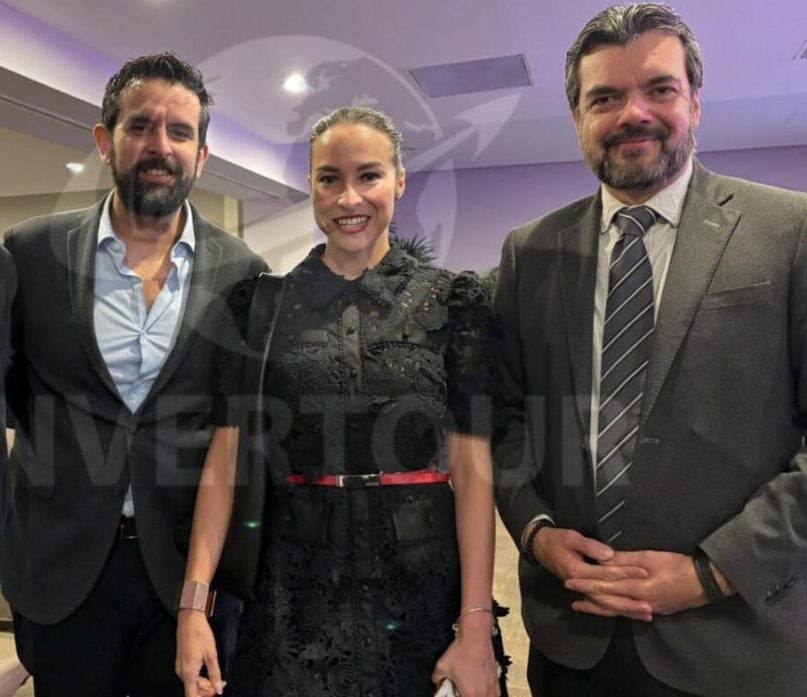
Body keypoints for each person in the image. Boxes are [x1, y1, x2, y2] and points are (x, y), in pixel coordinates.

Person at [494, 4, 807, 697]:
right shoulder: (529, 252)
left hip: (735, 646)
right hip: (572, 641)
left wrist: (712, 572)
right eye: (604, 97)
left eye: (658, 89)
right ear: (578, 117)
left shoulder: (791, 231)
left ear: (694, 101)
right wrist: (536, 530)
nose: (632, 113)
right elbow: (508, 418)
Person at [176, 106, 505, 697]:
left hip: (421, 591)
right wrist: (193, 607)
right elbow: (224, 463)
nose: (349, 197)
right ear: (311, 186)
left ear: (399, 181)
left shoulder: (454, 301)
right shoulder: (258, 308)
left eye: (369, 175)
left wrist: (477, 622)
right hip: (292, 596)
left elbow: (473, 471)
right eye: (329, 178)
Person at [2, 52, 266, 697]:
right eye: (141, 126)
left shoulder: (244, 273)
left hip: (181, 574)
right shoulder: (28, 254)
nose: (160, 146)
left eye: (180, 132)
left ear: (202, 155)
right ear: (105, 140)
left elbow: (233, 432)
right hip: (59, 568)